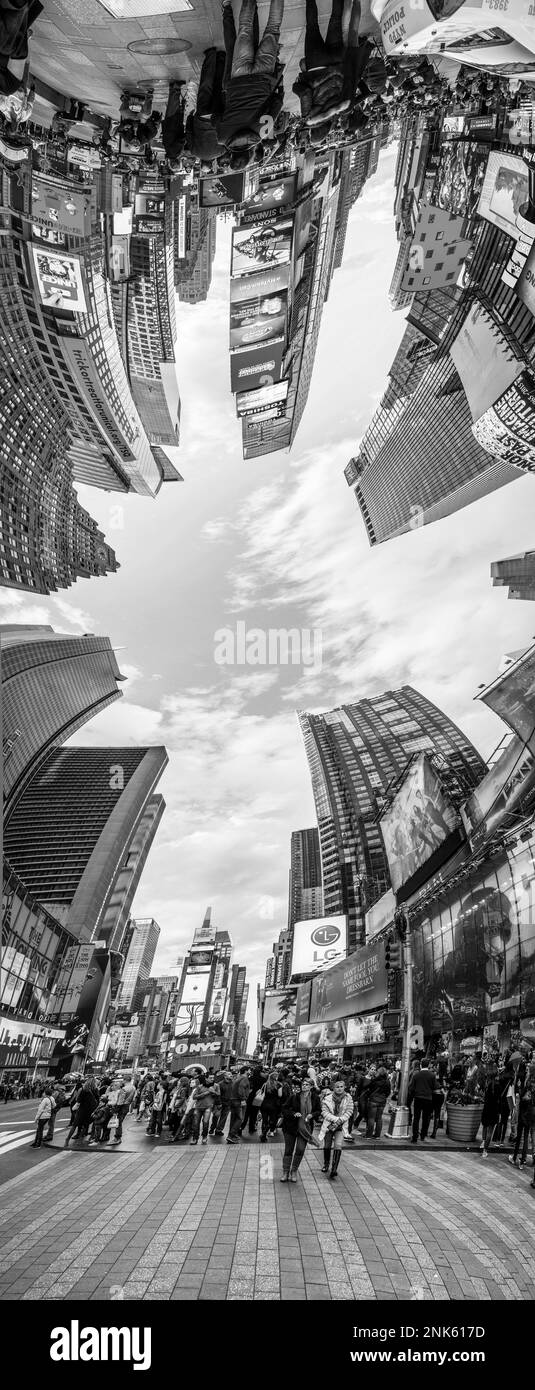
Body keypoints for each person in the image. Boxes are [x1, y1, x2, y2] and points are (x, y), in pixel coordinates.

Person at [216, 0, 285, 158]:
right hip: (238, 79)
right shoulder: (222, 137)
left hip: (262, 79)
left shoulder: (262, 133)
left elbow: (277, 104)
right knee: (245, 28)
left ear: (250, 153)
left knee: (273, 28)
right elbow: (216, 116)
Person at [280, 1076, 320, 1181]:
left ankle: (294, 1171)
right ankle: (285, 1172)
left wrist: (312, 1115)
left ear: (311, 1086)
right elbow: (284, 1108)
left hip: (305, 1128)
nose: (304, 1086)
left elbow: (318, 1110)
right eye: (303, 1084)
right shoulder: (294, 1097)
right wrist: (294, 1113)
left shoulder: (315, 1097)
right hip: (291, 1127)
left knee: (300, 1149)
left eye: (307, 1085)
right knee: (288, 1150)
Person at [317, 1079, 353, 1180]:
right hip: (329, 1125)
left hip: (341, 1126)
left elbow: (350, 1111)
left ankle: (334, 1169)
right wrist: (336, 1119)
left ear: (344, 1087)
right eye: (337, 1087)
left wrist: (341, 1120)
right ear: (333, 1088)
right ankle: (326, 1164)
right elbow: (324, 1112)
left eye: (341, 1086)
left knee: (338, 1145)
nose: (339, 1089)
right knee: (327, 1145)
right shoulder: (327, 1098)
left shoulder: (348, 1098)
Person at [509, 1062, 535, 1172]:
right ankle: (523, 1160)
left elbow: (524, 1097)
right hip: (532, 1113)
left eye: (529, 1069)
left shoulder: (529, 1083)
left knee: (520, 1136)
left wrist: (520, 1090)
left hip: (525, 1112)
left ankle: (515, 1158)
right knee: (526, 1137)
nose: (527, 1070)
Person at [409, 1060, 434, 1144]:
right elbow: (434, 1087)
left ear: (420, 1065)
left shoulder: (416, 1075)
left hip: (418, 1098)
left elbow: (411, 1087)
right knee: (425, 1118)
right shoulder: (432, 1075)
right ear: (428, 1065)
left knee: (416, 1118)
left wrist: (413, 1095)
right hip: (428, 1098)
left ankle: (415, 1137)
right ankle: (423, 1135)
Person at [480, 1064, 501, 1158]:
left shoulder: (487, 1085)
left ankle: (483, 1142)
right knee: (490, 1130)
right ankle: (485, 1150)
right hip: (494, 1109)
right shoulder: (497, 1085)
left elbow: (484, 1097)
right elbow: (499, 1099)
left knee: (485, 1126)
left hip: (486, 1108)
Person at [191, 1074, 218, 1144]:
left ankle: (204, 1137)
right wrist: (206, 1093)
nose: (212, 1079)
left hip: (208, 1107)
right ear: (206, 1078)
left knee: (205, 1123)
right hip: (198, 1107)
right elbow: (194, 1097)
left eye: (213, 1078)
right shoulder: (200, 1086)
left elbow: (218, 1095)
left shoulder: (215, 1086)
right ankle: (195, 1138)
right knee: (196, 1123)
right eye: (210, 1078)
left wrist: (213, 1092)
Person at [226, 1065, 250, 1143]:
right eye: (249, 1070)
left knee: (234, 1118)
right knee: (240, 1119)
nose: (250, 1071)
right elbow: (241, 1089)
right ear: (246, 1071)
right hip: (239, 1101)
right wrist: (243, 1098)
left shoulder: (238, 1078)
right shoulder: (244, 1078)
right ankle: (231, 1135)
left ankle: (232, 1135)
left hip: (233, 1100)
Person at [365, 1066, 391, 1139]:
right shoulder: (387, 1081)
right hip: (382, 1101)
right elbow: (388, 1092)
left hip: (373, 1100)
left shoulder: (374, 1080)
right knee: (379, 1118)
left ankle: (369, 1135)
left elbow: (369, 1089)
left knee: (371, 1118)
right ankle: (377, 1135)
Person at [259, 1069, 281, 1139]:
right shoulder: (279, 1084)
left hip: (264, 1104)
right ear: (276, 1077)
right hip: (273, 1105)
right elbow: (280, 1095)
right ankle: (268, 1131)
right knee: (272, 1119)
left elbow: (262, 1093)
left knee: (264, 1120)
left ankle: (263, 1134)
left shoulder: (265, 1084)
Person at [212, 1068, 233, 1135]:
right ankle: (213, 1127)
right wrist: (218, 1103)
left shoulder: (233, 1083)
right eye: (229, 1074)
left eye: (231, 1074)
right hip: (219, 1103)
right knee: (216, 1116)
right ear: (225, 1076)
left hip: (228, 1103)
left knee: (224, 1117)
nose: (231, 1075)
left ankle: (218, 1130)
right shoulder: (220, 1084)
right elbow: (217, 1095)